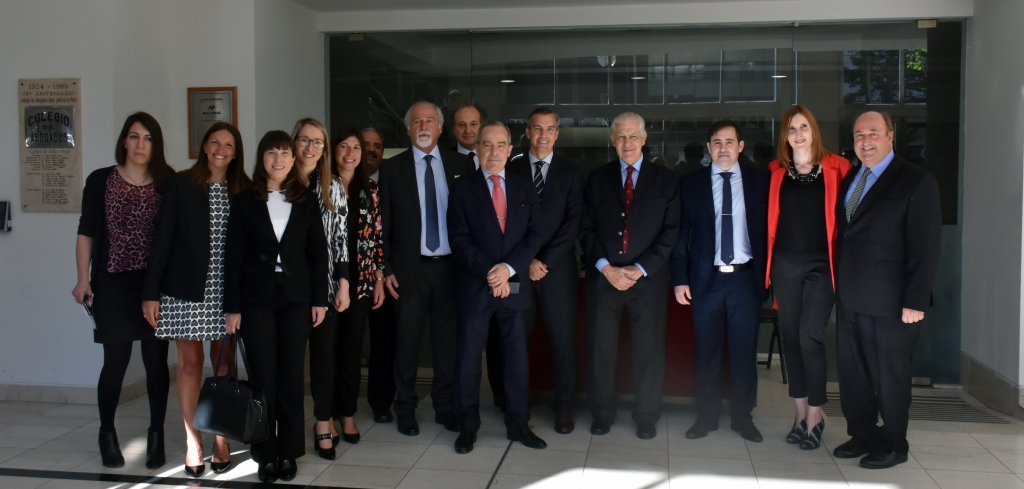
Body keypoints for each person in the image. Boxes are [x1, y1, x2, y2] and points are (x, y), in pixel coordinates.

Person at [831, 111, 941, 469]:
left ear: (891, 137)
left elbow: (925, 247)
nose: (866, 141)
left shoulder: (915, 181)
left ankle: (894, 443)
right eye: (859, 135)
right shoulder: (852, 177)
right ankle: (863, 434)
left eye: (874, 133)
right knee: (854, 374)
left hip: (893, 302)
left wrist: (915, 300)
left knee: (889, 377)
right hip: (851, 297)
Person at [142, 121, 250, 476]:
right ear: (204, 146)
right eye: (215, 142)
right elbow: (162, 239)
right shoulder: (182, 184)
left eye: (229, 145)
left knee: (223, 366)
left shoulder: (244, 188)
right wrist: (150, 293)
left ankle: (221, 437)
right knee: (190, 364)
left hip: (228, 288)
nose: (221, 149)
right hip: (186, 289)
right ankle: (193, 440)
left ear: (236, 153)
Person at [224, 130, 329, 483]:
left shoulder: (306, 199)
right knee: (262, 378)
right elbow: (233, 257)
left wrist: (319, 299)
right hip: (256, 299)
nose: (279, 159)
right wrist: (232, 307)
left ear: (292, 158)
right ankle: (265, 454)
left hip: (296, 298)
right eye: (272, 153)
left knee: (291, 376)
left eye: (284, 152)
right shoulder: (244, 201)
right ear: (261, 158)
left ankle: (289, 451)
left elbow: (318, 254)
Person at [73, 112, 174, 470]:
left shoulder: (168, 181)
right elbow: (86, 231)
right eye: (134, 136)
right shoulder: (101, 180)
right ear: (124, 141)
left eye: (147, 138)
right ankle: (107, 434)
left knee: (155, 363)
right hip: (112, 282)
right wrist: (82, 278)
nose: (140, 144)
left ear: (155, 144)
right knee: (115, 363)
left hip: (154, 286)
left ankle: (156, 436)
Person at [579, 112, 680, 440]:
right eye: (620, 136)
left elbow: (670, 232)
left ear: (644, 138)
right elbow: (586, 228)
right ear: (612, 140)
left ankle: (647, 415)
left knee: (649, 352)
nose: (627, 142)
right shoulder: (596, 178)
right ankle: (602, 413)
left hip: (647, 282)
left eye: (633, 136)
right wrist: (606, 268)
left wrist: (638, 269)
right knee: (601, 352)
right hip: (604, 279)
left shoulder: (666, 180)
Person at [447, 121, 544, 454]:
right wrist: (492, 272)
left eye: (500, 145)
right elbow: (458, 240)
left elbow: (534, 235)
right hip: (476, 287)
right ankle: (467, 425)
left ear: (510, 149)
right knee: (469, 360)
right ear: (477, 149)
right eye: (486, 145)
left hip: (514, 286)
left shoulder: (523, 187)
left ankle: (518, 424)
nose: (493, 151)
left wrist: (507, 270)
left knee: (516, 358)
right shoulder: (461, 189)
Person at [378, 101, 474, 436]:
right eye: (416, 120)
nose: (423, 125)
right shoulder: (392, 169)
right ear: (407, 129)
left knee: (447, 344)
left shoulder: (462, 165)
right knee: (407, 342)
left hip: (452, 270)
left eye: (429, 121)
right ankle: (405, 407)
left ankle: (444, 406)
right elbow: (383, 224)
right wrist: (385, 267)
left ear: (440, 127)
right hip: (409, 270)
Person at [672, 120, 769, 443]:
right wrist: (679, 279)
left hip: (745, 280)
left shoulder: (760, 181)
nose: (723, 148)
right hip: (705, 281)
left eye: (729, 142)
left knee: (744, 354)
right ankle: (706, 417)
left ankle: (743, 418)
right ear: (708, 147)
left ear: (741, 146)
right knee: (707, 353)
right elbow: (680, 235)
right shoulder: (691, 184)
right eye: (716, 142)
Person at [766, 105, 850, 449]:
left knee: (810, 336)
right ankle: (800, 413)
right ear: (784, 136)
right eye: (791, 129)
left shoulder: (838, 168)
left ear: (814, 130)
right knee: (790, 338)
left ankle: (816, 413)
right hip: (784, 263)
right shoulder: (775, 171)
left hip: (821, 264)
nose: (798, 134)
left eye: (803, 127)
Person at [506, 106, 584, 433]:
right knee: (514, 340)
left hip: (558, 272)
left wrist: (545, 260)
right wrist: (528, 261)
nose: (543, 135)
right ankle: (517, 407)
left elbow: (573, 223)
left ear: (557, 133)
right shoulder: (511, 169)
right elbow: (505, 222)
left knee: (562, 340)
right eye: (537, 129)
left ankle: (563, 407)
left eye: (549, 129)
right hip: (518, 273)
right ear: (527, 132)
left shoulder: (572, 172)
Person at [291, 118, 349, 460]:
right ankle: (289, 425)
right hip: (291, 290)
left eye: (318, 142)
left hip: (326, 290)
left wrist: (343, 284)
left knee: (324, 359)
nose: (310, 148)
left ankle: (323, 422)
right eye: (304, 140)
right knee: (293, 362)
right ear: (293, 142)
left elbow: (341, 240)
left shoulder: (334, 186)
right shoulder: (280, 183)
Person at [330, 127, 386, 445]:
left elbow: (377, 238)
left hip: (362, 282)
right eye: (344, 146)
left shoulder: (370, 190)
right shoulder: (321, 187)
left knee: (351, 350)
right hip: (327, 282)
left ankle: (347, 412)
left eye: (356, 148)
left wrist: (378, 278)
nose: (350, 153)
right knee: (327, 351)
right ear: (333, 151)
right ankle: (326, 413)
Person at [361, 126, 397, 423]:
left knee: (385, 341)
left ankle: (381, 402)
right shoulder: (340, 184)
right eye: (365, 144)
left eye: (377, 145)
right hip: (352, 278)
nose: (371, 150)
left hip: (385, 277)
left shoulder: (392, 180)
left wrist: (384, 272)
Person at [451, 102, 486, 169]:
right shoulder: (443, 160)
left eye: (473, 124)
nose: (468, 131)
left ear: (482, 127)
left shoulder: (492, 156)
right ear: (453, 129)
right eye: (461, 125)